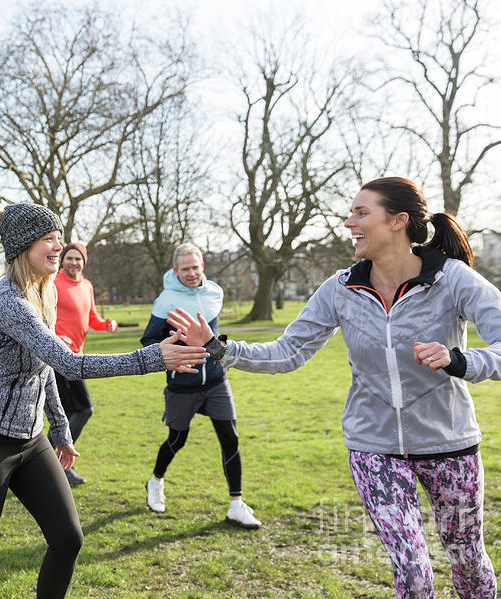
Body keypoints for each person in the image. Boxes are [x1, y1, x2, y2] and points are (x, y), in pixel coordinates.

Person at [168, 177, 501, 598]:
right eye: (350, 213)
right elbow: (288, 351)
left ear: (398, 221)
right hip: (374, 447)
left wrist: (462, 361)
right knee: (414, 575)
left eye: (362, 213)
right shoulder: (341, 288)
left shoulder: (452, 279)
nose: (349, 223)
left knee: (468, 559)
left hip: (449, 443)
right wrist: (218, 348)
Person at [0, 201, 210, 599]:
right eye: (48, 240)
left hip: (31, 441)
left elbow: (43, 368)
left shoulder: (41, 294)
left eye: (58, 238)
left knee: (68, 539)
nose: (57, 246)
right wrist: (154, 356)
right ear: (22, 246)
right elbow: (69, 363)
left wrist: (61, 427)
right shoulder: (9, 302)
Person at [140, 243, 260, 528]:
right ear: (175, 270)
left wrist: (221, 345)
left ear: (202, 266)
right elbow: (148, 342)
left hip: (217, 380)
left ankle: (236, 504)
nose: (191, 273)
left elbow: (213, 334)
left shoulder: (214, 292)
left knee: (230, 438)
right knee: (177, 440)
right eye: (185, 269)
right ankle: (155, 481)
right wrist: (172, 355)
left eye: (195, 267)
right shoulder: (166, 301)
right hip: (183, 384)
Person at [53, 241, 118, 485]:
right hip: (57, 357)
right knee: (84, 409)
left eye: (77, 259)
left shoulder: (87, 286)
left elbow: (92, 317)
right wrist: (56, 337)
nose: (73, 262)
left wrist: (106, 324)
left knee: (67, 413)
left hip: (77, 358)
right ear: (63, 260)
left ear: (84, 262)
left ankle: (53, 466)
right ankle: (56, 464)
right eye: (69, 258)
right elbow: (41, 316)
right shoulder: (53, 283)